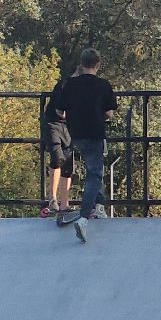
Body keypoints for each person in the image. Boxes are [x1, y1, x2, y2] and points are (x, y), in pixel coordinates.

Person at [53, 49, 118, 243]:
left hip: (75, 132)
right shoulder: (103, 85)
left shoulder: (70, 85)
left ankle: (96, 205)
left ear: (81, 64)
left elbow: (59, 110)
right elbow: (109, 114)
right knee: (94, 173)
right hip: (94, 132)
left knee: (86, 169)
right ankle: (85, 215)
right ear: (98, 65)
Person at [40, 69, 75, 218]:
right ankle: (52, 199)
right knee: (57, 158)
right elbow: (60, 111)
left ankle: (64, 204)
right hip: (53, 122)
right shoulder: (65, 85)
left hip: (68, 125)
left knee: (68, 163)